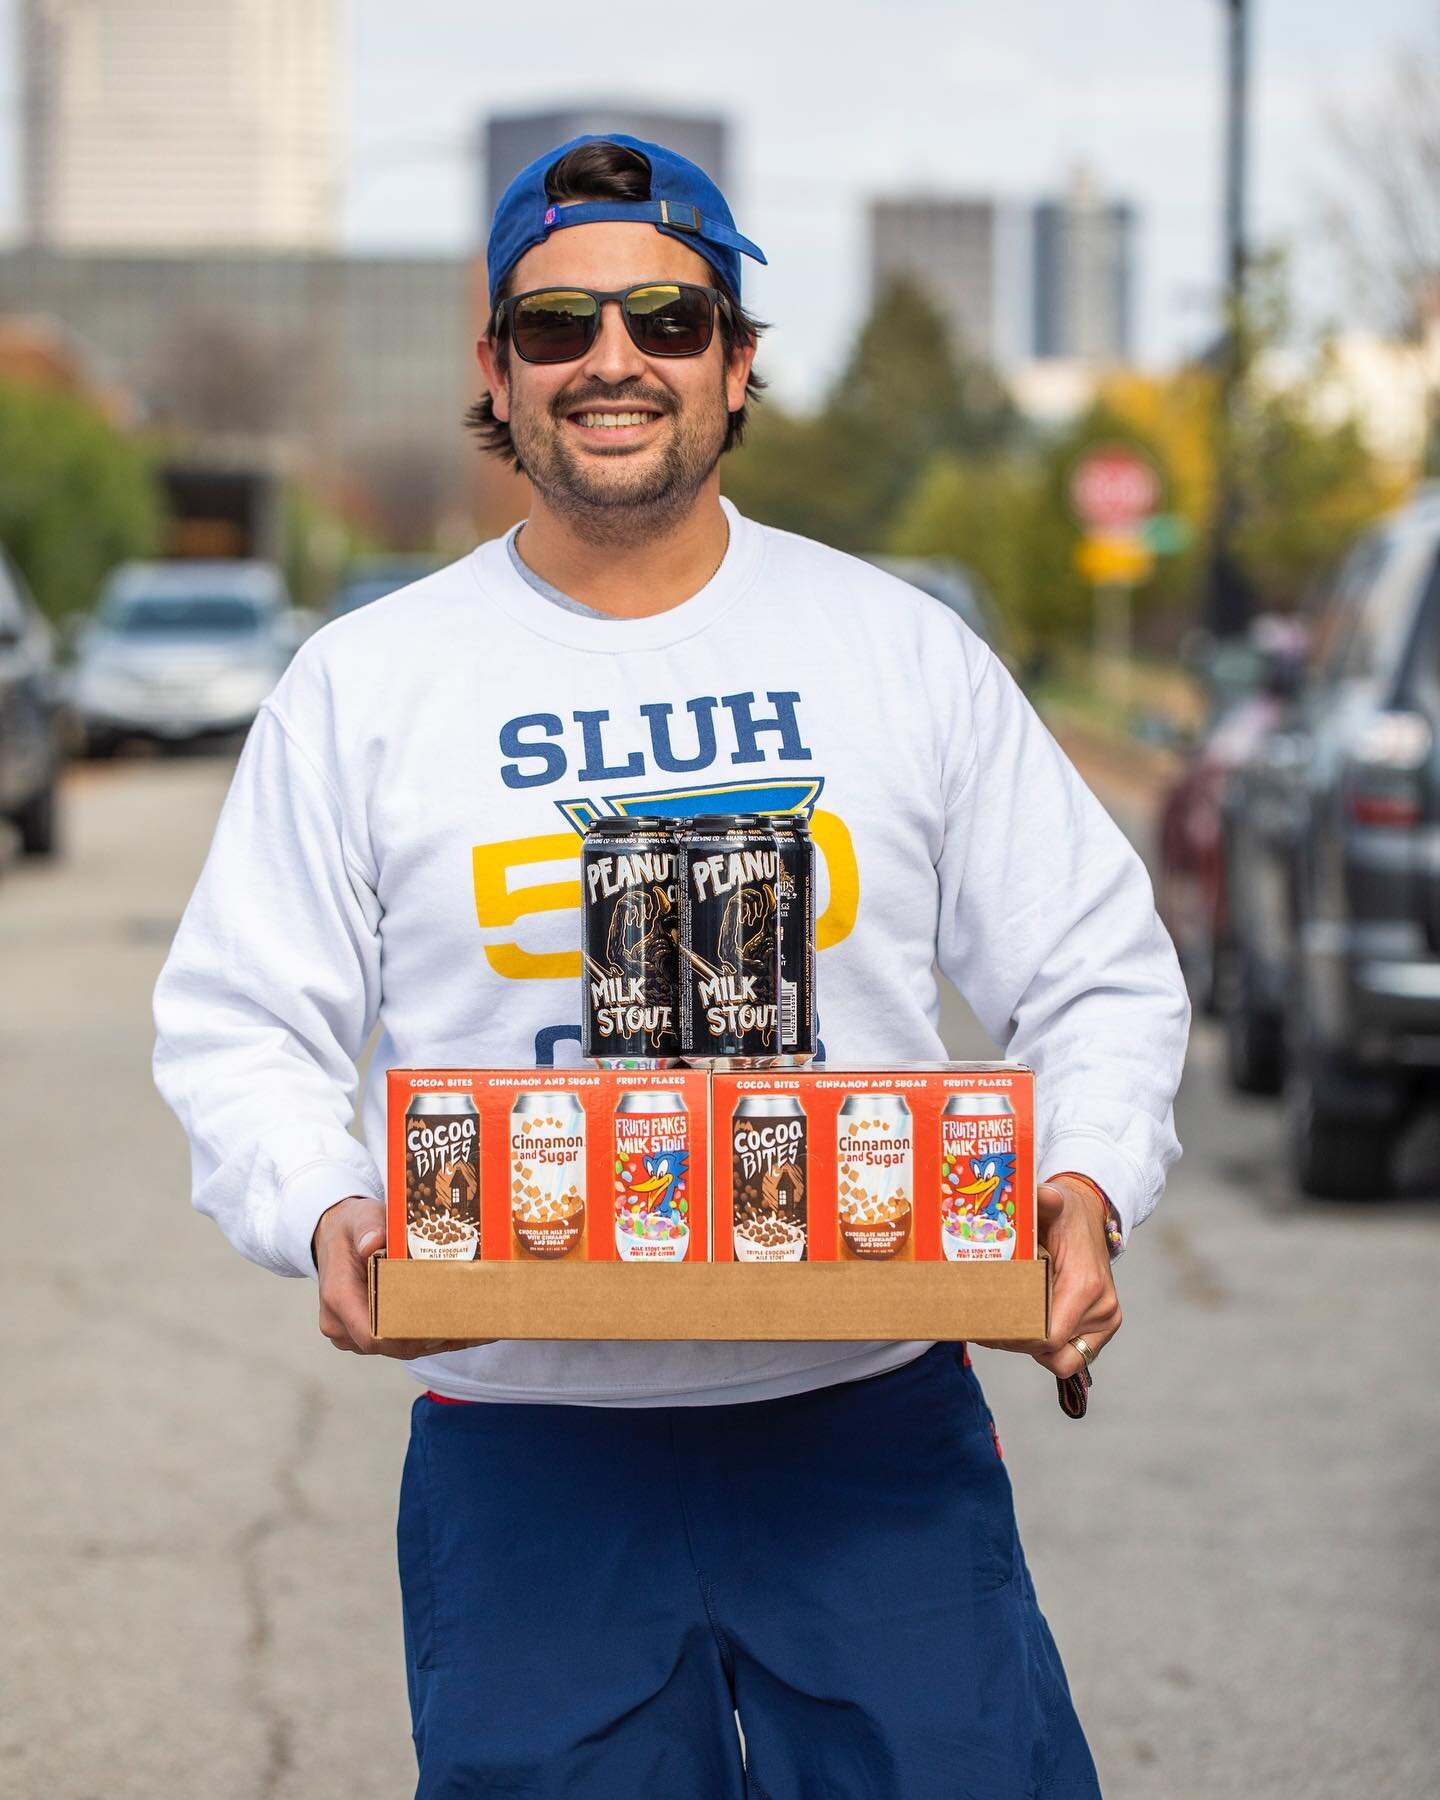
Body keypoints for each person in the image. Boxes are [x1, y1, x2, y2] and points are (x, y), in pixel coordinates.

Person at [154, 133, 1189, 1798]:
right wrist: (327, 1205)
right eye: (558, 328)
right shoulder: (369, 685)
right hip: (526, 1450)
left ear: (738, 359)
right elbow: (241, 1019)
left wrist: (1087, 1177)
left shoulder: (896, 652)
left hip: (867, 1422)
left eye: (668, 319)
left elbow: (1097, 966)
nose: (614, 361)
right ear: (496, 368)